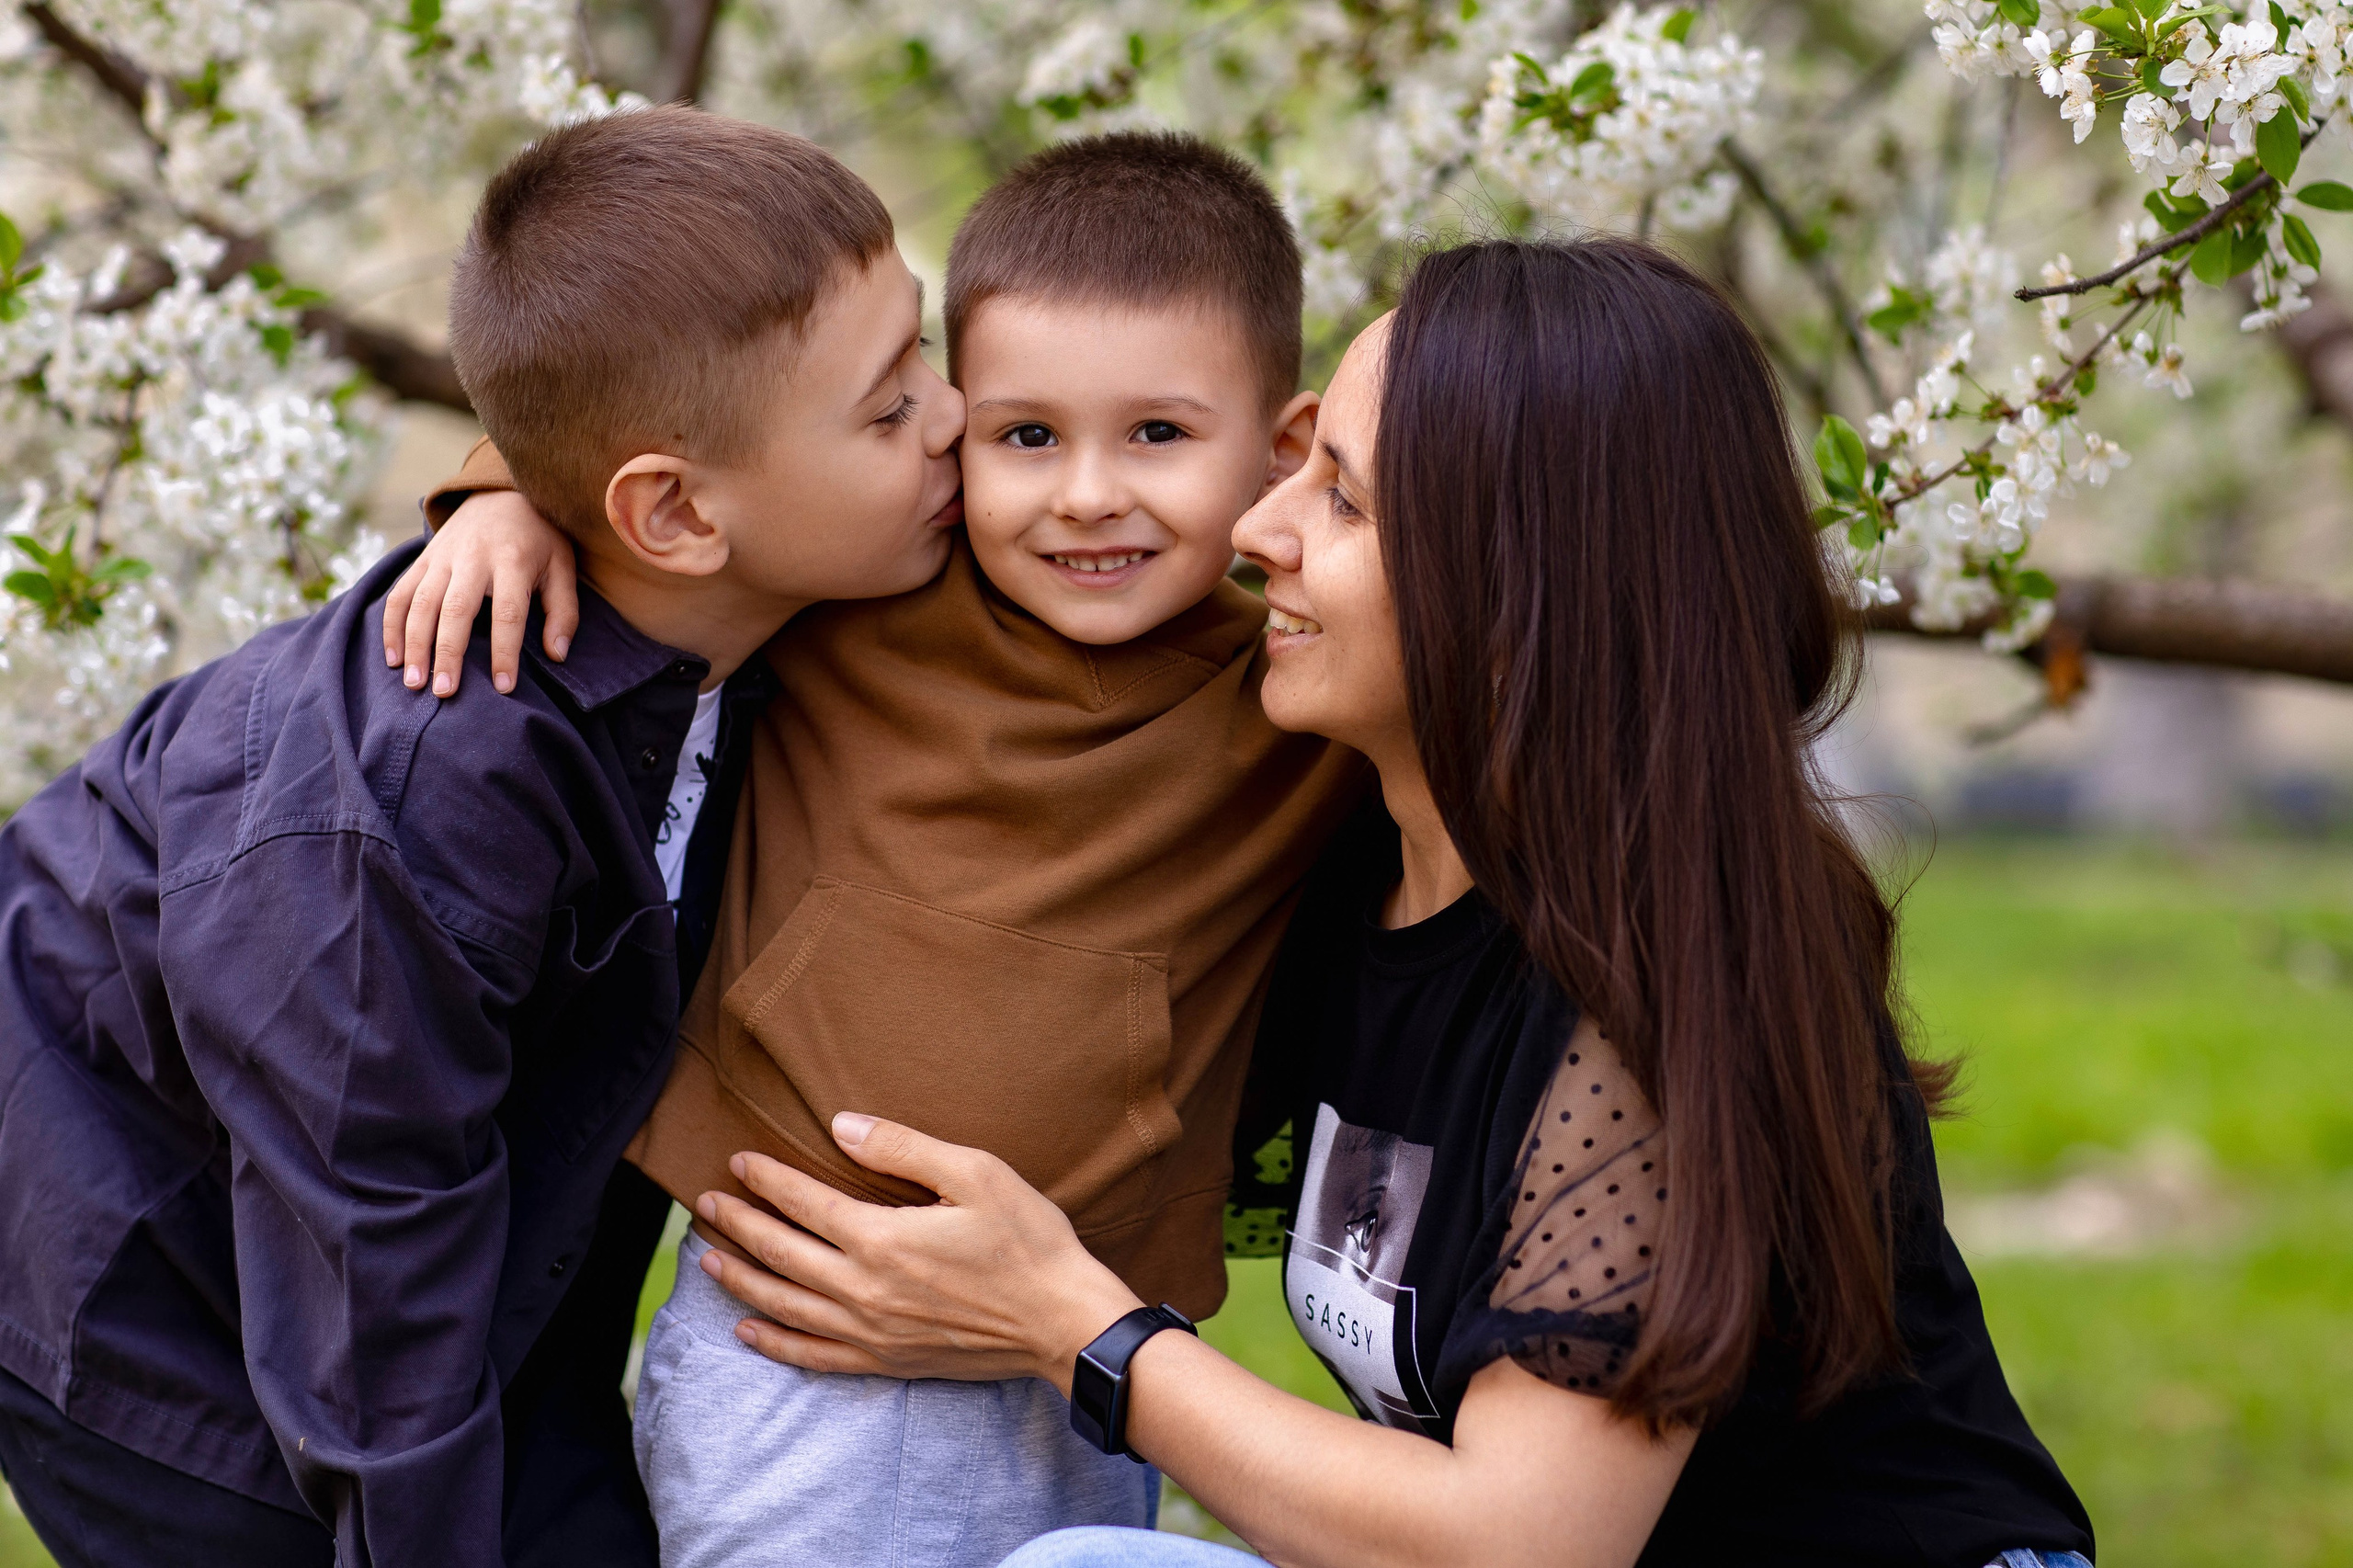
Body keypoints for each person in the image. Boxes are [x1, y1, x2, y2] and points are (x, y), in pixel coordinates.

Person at [685, 237, 2101, 1568]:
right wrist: (522, 504)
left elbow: (1522, 1540)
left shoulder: (1659, 989)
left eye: (1344, 502)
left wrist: (1077, 1326)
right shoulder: (1341, 863)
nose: (1258, 527)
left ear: (1520, 589)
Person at [0, 107, 961, 1568]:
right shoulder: (426, 795)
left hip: (473, 1215)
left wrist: (502, 481)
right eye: (890, 410)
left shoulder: (750, 578)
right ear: (677, 514)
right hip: (122, 1245)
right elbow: (374, 1284)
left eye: (926, 358)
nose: (950, 419)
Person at [400, 133, 1367, 1568]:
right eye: (1025, 436)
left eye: (1158, 436)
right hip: (802, 1341)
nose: (1088, 494)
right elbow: (675, 451)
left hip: (1084, 1359)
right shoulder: (868, 595)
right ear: (957, 427)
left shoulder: (1295, 701)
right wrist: (499, 495)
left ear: (1283, 452)